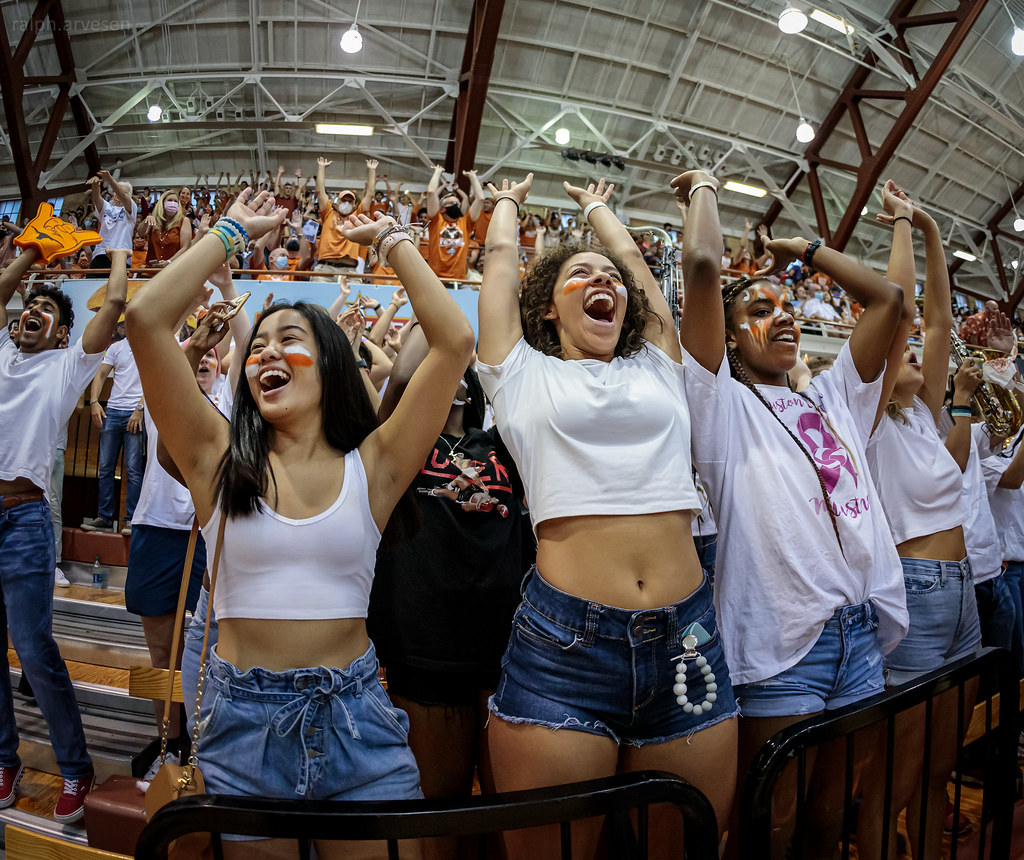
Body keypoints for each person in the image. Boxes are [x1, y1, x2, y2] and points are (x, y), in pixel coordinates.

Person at [125, 189, 474, 856]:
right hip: (242, 731)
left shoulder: (375, 465)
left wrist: (392, 241)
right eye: (257, 348)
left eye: (291, 339)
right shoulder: (215, 459)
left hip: (359, 724)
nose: (265, 355)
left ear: (333, 365)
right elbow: (145, 318)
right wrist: (229, 233)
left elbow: (454, 338)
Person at [476, 172, 737, 860]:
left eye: (608, 278)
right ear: (546, 312)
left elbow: (637, 273)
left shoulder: (657, 364)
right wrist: (505, 201)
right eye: (579, 275)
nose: (603, 282)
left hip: (688, 639)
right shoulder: (519, 373)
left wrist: (597, 211)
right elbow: (500, 268)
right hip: (564, 650)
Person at [675, 171, 909, 860]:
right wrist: (706, 189)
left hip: (856, 633)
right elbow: (701, 266)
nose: (782, 315)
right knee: (767, 821)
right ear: (732, 336)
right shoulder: (720, 406)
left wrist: (805, 249)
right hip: (782, 645)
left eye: (789, 306)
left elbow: (889, 300)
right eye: (760, 309)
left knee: (829, 814)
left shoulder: (835, 397)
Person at [369, 325, 532, 860]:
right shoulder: (398, 441)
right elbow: (402, 375)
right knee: (440, 809)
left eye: (464, 374)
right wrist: (439, 331)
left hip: (509, 654)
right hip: (425, 649)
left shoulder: (502, 442)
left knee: (511, 814)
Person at [856, 186, 981, 860]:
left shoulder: (922, 419)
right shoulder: (868, 419)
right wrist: (901, 224)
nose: (910, 353)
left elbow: (937, 325)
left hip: (959, 590)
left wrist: (933, 228)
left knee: (938, 767)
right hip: (918, 591)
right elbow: (904, 315)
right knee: (895, 775)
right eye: (895, 350)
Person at [0, 207, 124, 822]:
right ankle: (5, 758)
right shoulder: (1, 347)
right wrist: (35, 251)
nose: (31, 316)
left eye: (47, 313)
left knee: (31, 643)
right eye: (31, 309)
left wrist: (121, 243)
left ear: (60, 333)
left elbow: (114, 306)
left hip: (24, 520)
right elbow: (2, 292)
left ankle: (75, 768)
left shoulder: (66, 367)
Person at [80, 324, 144, 535]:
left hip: (135, 411)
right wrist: (95, 402)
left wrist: (140, 408)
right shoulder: (116, 348)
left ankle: (132, 519)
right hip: (113, 411)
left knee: (133, 469)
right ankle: (105, 518)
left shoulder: (149, 345)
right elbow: (100, 375)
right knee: (106, 468)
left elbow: (153, 380)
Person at [311, 157, 376, 281]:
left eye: (350, 201)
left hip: (349, 271)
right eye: (343, 200)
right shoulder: (328, 213)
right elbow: (320, 192)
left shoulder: (356, 216)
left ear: (354, 205)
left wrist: (372, 170)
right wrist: (321, 167)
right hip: (325, 269)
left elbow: (370, 194)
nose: (346, 203)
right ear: (336, 202)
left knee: (356, 299)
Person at [425, 166, 484, 283]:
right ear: (442, 209)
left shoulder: (466, 223)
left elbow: (480, 199)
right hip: (435, 280)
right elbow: (431, 192)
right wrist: (437, 171)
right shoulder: (436, 222)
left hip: (458, 280)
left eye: (458, 203)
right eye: (451, 203)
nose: (456, 205)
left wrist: (472, 177)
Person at [88, 169, 138, 270]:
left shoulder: (131, 209)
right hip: (101, 253)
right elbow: (96, 197)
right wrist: (95, 183)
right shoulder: (107, 207)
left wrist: (110, 180)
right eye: (116, 192)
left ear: (130, 196)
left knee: (117, 285)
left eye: (123, 192)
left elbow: (123, 196)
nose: (118, 195)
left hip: (121, 255)